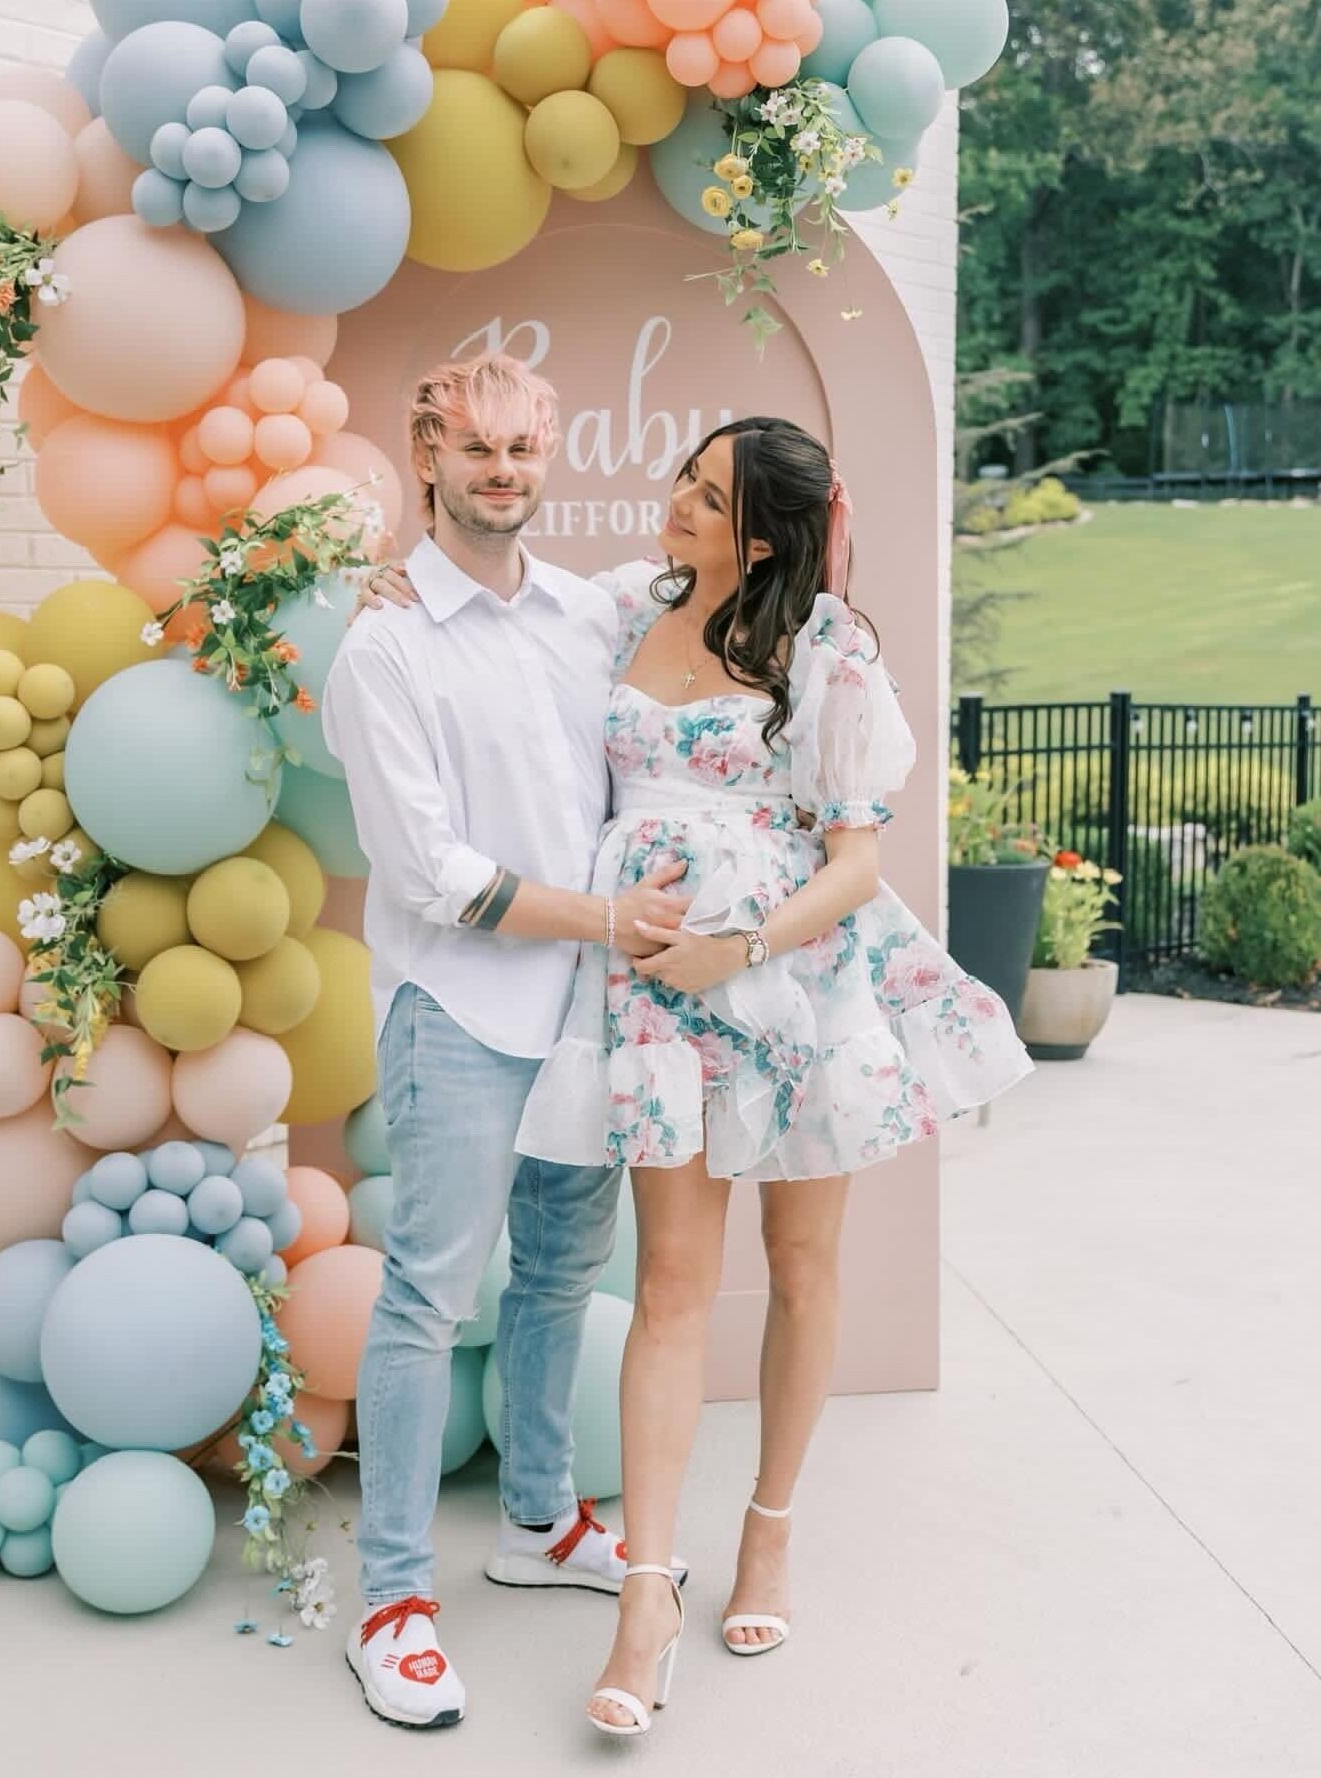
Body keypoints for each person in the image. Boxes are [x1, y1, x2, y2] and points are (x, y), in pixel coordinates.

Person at [360, 414, 1032, 1740]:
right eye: (683, 475)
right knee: (668, 1288)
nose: (674, 502)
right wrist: (395, 564)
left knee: (802, 1266)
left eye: (708, 495)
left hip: (791, 983)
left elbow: (855, 861)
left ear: (766, 533)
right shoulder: (621, 609)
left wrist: (741, 947)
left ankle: (769, 1529)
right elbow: (492, 592)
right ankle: (647, 1599)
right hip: (653, 997)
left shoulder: (830, 655)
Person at [320, 353, 688, 1732]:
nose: (506, 471)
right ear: (427, 455)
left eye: (526, 449)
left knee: (557, 1277)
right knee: (427, 1296)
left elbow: (724, 590)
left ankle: (537, 1520)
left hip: (583, 1015)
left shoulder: (589, 614)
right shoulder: (386, 644)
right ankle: (394, 1603)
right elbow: (435, 875)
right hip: (461, 1014)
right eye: (478, 448)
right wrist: (608, 916)